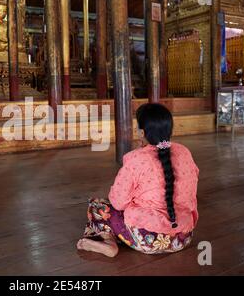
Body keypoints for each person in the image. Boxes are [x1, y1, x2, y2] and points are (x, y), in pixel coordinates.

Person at [77, 103, 199, 257]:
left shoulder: (137, 158)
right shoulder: (184, 152)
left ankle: (109, 241)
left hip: (148, 240)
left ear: (142, 132)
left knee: (98, 205)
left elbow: (118, 202)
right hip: (183, 237)